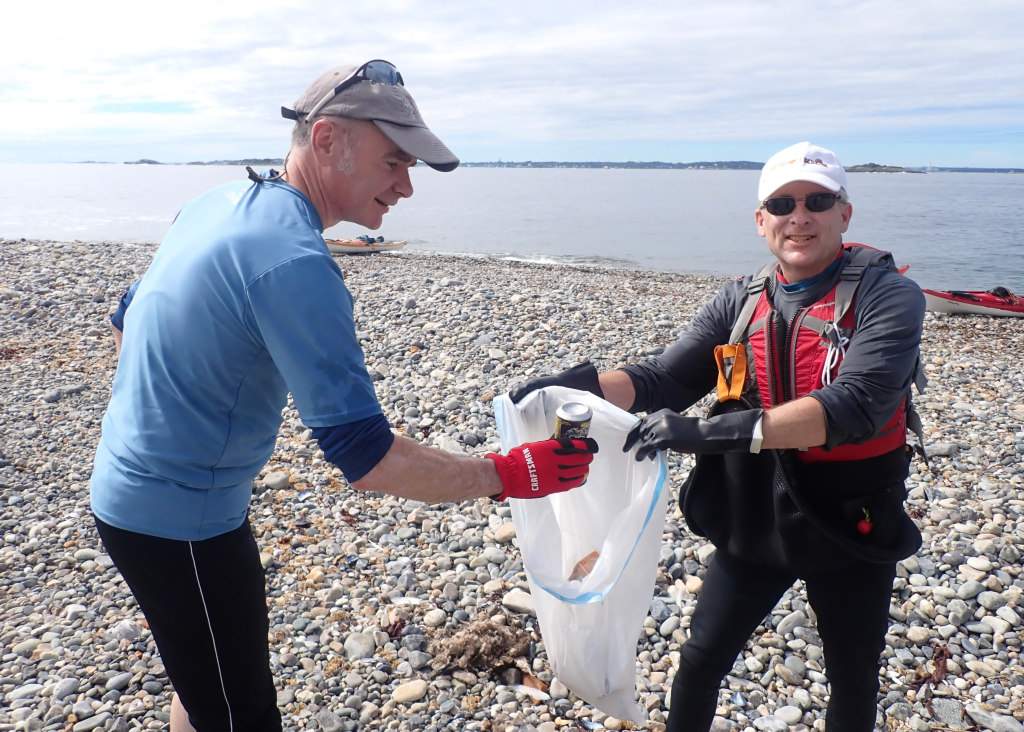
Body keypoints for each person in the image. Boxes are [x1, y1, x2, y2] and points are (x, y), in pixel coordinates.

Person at [95, 61, 597, 732]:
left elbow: (128, 319)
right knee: (240, 713)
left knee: (201, 679)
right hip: (180, 519)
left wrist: (167, 420)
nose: (406, 187)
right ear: (327, 139)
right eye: (394, 161)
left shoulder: (215, 203)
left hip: (135, 494)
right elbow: (366, 459)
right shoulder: (296, 261)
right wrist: (508, 474)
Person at [511, 142, 926, 732]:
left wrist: (707, 432)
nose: (799, 216)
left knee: (853, 673)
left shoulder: (889, 297)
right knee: (701, 660)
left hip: (852, 519)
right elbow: (664, 379)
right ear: (761, 222)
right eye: (781, 203)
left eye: (817, 200)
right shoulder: (741, 298)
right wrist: (572, 388)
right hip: (756, 514)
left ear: (844, 214)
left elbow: (857, 404)